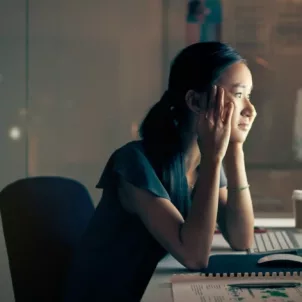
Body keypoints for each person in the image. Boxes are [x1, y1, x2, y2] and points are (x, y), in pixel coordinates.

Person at [63, 42, 257, 302]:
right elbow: (194, 256)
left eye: (249, 95)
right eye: (238, 94)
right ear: (195, 101)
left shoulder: (204, 162)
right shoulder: (134, 162)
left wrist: (235, 149)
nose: (249, 109)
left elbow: (242, 238)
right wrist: (215, 157)